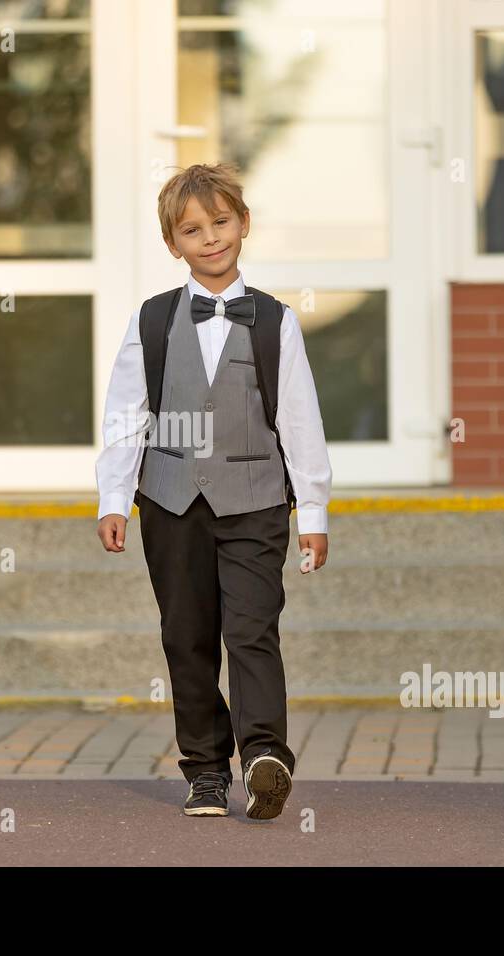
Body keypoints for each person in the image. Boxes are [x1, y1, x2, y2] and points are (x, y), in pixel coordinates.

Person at [95, 162, 333, 820]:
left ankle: (265, 758)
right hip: (171, 506)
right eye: (192, 230)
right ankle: (205, 768)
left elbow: (300, 418)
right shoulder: (151, 321)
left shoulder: (274, 323)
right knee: (186, 636)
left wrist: (312, 507)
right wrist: (114, 499)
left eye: (220, 222)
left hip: (256, 503)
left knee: (253, 631)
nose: (210, 238)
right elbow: (125, 415)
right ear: (174, 244)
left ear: (243, 224)